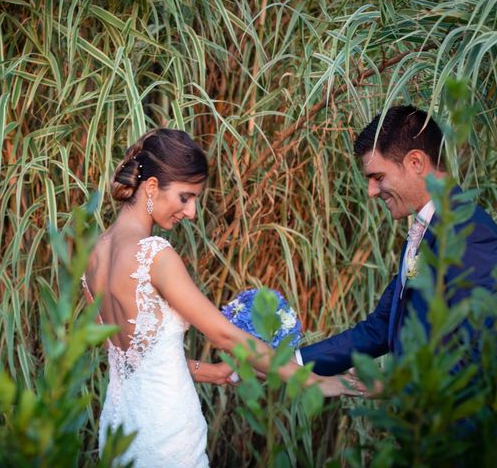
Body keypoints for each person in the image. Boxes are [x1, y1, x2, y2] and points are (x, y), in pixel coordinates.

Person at [81, 128, 360, 468]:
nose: (192, 212)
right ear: (152, 187)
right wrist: (317, 382)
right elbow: (224, 335)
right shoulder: (154, 255)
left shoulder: (93, 255)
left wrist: (211, 372)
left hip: (118, 428)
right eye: (186, 197)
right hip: (167, 430)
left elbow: (134, 359)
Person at [298, 105, 497, 375]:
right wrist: (289, 362)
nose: (371, 191)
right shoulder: (427, 230)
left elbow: (480, 350)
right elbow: (379, 328)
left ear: (415, 162)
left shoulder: (469, 233)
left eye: (378, 177)